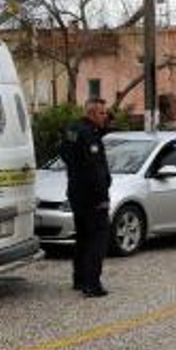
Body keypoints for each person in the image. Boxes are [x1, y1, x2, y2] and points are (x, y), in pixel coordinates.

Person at [60, 98, 113, 297]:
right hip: (92, 196)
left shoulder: (72, 129)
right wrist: (102, 196)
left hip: (76, 192)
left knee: (82, 236)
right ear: (91, 113)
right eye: (102, 113)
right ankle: (92, 284)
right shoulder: (89, 134)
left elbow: (64, 154)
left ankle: (80, 278)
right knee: (97, 239)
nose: (105, 116)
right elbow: (95, 169)